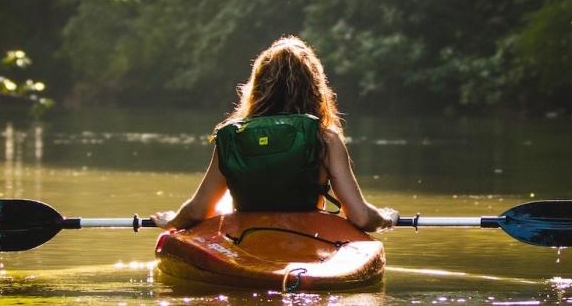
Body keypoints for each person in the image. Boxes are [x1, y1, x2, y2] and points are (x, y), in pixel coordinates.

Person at [151, 36, 396, 232]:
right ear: (315, 89)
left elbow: (197, 210)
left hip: (246, 240)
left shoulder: (234, 138)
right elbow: (361, 218)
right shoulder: (326, 139)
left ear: (257, 86)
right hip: (307, 239)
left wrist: (172, 222)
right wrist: (385, 217)